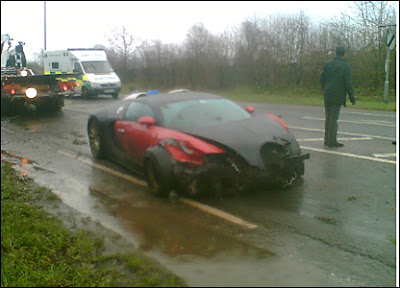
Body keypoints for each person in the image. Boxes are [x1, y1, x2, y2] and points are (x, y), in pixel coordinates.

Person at [320, 46, 356, 148]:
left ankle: (327, 140)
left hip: (327, 94)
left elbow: (322, 78)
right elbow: (348, 84)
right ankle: (332, 141)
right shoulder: (346, 67)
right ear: (344, 54)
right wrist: (352, 98)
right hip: (338, 95)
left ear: (335, 53)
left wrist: (324, 89)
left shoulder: (328, 65)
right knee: (333, 119)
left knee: (328, 117)